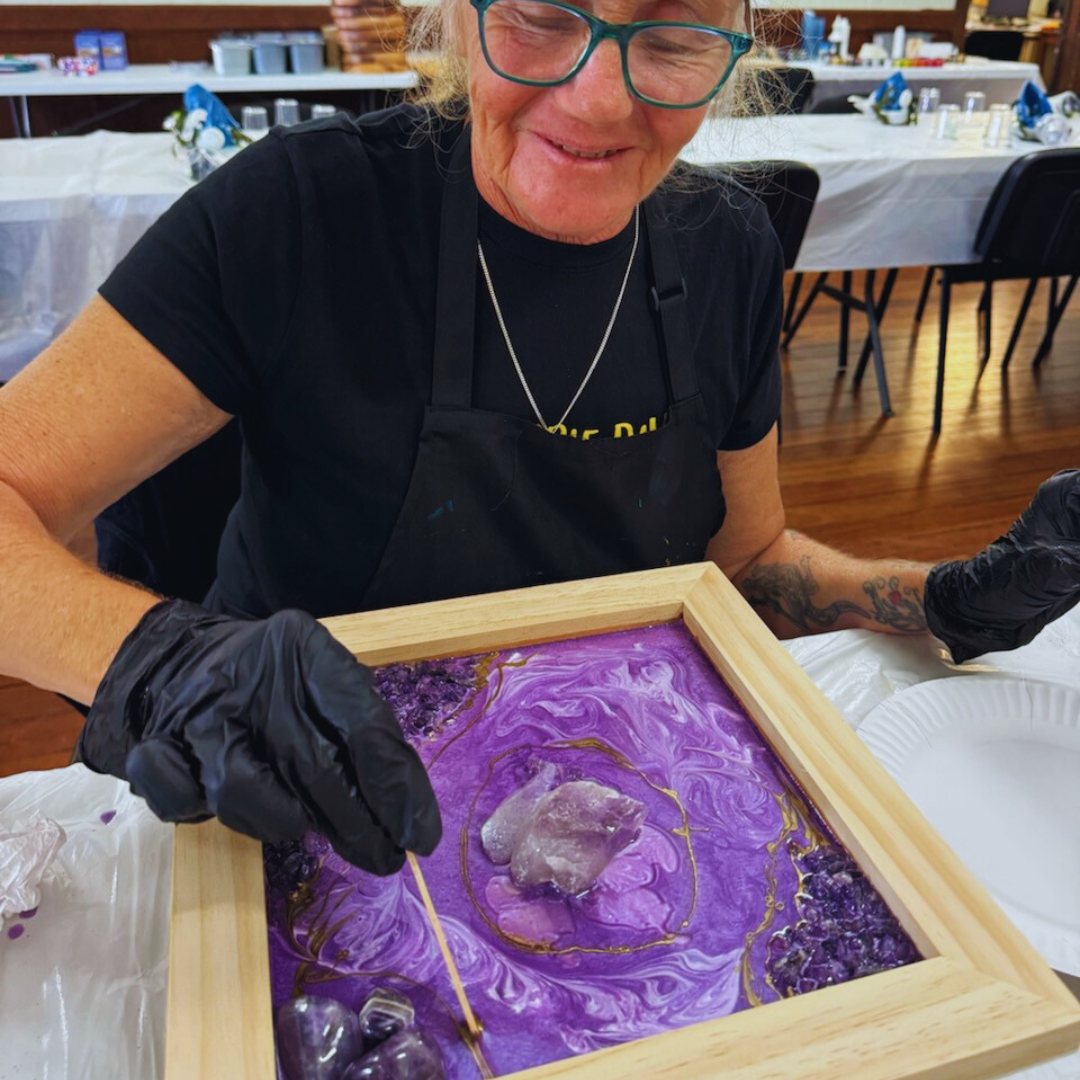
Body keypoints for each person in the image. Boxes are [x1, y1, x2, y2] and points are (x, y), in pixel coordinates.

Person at [0, 0, 1077, 874]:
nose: (599, 95)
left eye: (670, 37)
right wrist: (157, 662)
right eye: (537, 15)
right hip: (312, 800)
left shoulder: (727, 244)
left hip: (614, 803)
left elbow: (745, 563)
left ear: (735, 51)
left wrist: (930, 599)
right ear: (455, 20)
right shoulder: (297, 211)